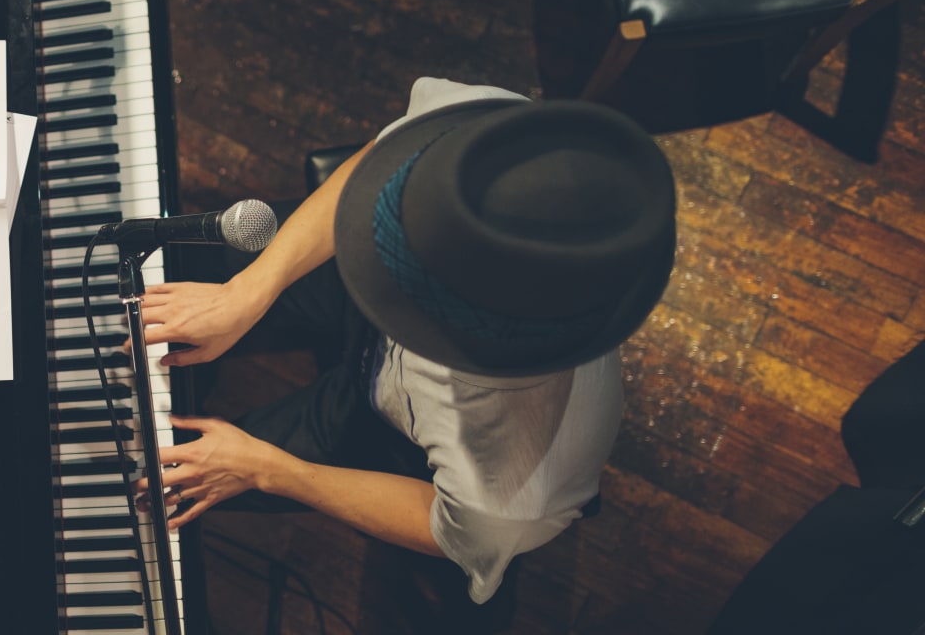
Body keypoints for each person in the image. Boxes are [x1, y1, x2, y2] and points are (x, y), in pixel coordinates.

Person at [133, 77, 678, 618]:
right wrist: (250, 290)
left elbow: (445, 528)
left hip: (387, 431)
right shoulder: (500, 146)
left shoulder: (522, 481)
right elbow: (380, 165)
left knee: (166, 478)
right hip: (346, 285)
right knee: (172, 273)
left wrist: (268, 470)